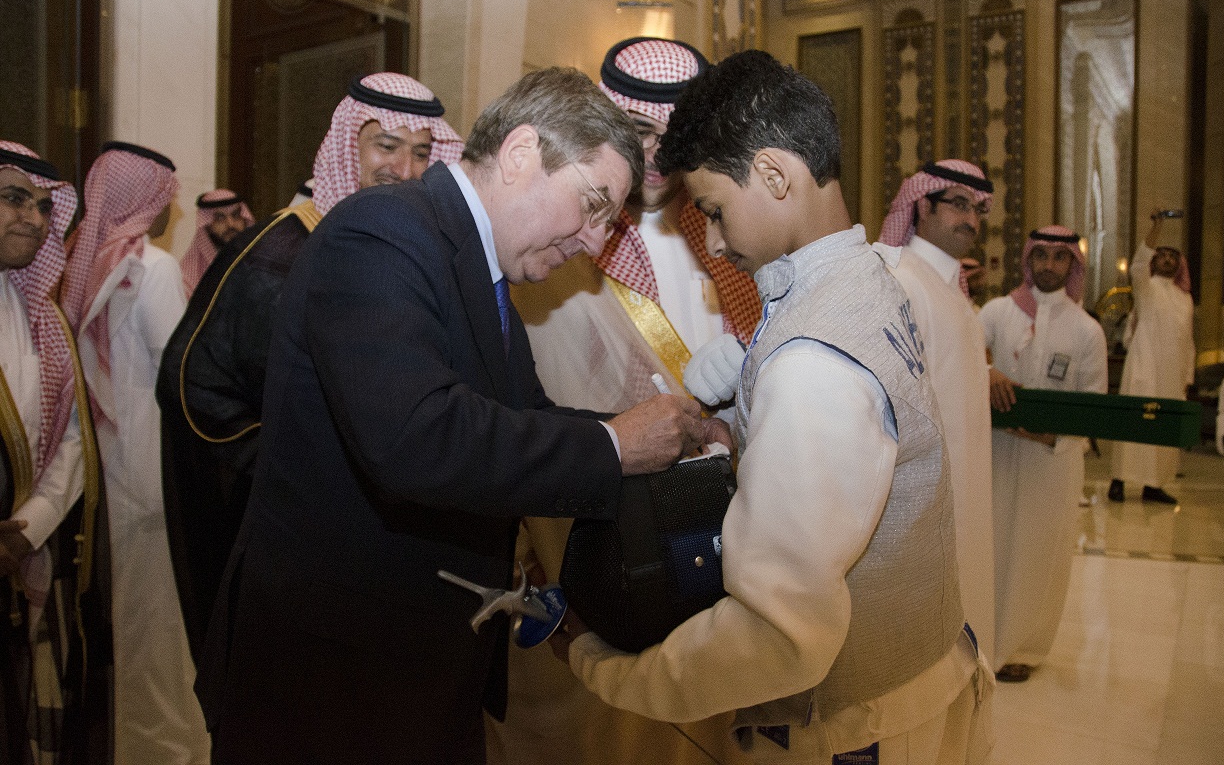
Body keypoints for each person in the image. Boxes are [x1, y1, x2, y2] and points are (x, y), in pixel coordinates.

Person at [196, 66, 723, 765]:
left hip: (422, 662)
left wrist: (661, 436)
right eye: (593, 205)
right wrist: (615, 446)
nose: (596, 243)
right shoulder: (380, 231)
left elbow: (525, 416)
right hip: (338, 676)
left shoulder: (482, 268)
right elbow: (416, 438)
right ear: (520, 155)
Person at [562, 50, 991, 764]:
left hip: (849, 729)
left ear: (772, 174)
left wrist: (603, 667)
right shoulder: (869, 278)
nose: (719, 244)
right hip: (919, 679)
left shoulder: (810, 359)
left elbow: (777, 637)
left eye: (716, 212)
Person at [495, 37, 761, 765]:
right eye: (636, 131)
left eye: (672, 137)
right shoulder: (554, 241)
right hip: (578, 548)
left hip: (708, 541)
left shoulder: (725, 236)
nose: (653, 154)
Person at [156, 72, 464, 663]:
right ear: (350, 146)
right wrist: (281, 461)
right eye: (386, 146)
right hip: (292, 532)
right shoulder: (277, 252)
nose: (404, 170)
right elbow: (192, 382)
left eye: (421, 153)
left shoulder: (411, 252)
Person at [59, 141, 210, 763]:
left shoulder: (81, 267)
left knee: (133, 625)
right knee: (162, 633)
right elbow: (183, 374)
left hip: (109, 477)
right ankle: (168, 750)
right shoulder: (151, 269)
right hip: (155, 478)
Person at [1, 141, 101, 765]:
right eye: (14, 199)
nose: (34, 220)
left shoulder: (39, 312)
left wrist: (27, 531)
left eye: (43, 206)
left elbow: (73, 441)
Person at [877, 159, 998, 664]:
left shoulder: (952, 291)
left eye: (978, 208)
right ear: (921, 204)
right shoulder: (900, 278)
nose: (971, 218)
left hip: (965, 485)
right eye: (958, 204)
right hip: (921, 496)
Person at [979, 226, 1107, 683]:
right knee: (990, 545)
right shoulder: (996, 312)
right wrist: (988, 370)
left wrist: (1050, 435)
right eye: (1042, 257)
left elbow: (1094, 406)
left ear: (1073, 266)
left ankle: (1024, 649)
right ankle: (982, 640)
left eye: (1060, 258)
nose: (1049, 266)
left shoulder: (1088, 331)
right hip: (995, 455)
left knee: (1038, 553)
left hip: (1052, 464)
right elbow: (959, 355)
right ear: (1028, 261)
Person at [1107, 211, 1195, 505]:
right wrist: (1156, 227)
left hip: (1173, 375)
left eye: (1173, 255)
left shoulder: (1185, 298)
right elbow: (1137, 265)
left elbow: (1189, 341)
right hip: (1145, 367)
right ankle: (1118, 481)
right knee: (1134, 423)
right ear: (1155, 261)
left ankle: (1154, 485)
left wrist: (1188, 377)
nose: (1168, 259)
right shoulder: (1147, 288)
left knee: (1163, 428)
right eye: (1163, 255)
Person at [179, 189, 256, 295]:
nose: (231, 224)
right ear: (207, 226)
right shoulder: (187, 279)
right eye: (220, 218)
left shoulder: (260, 265)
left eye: (236, 215)